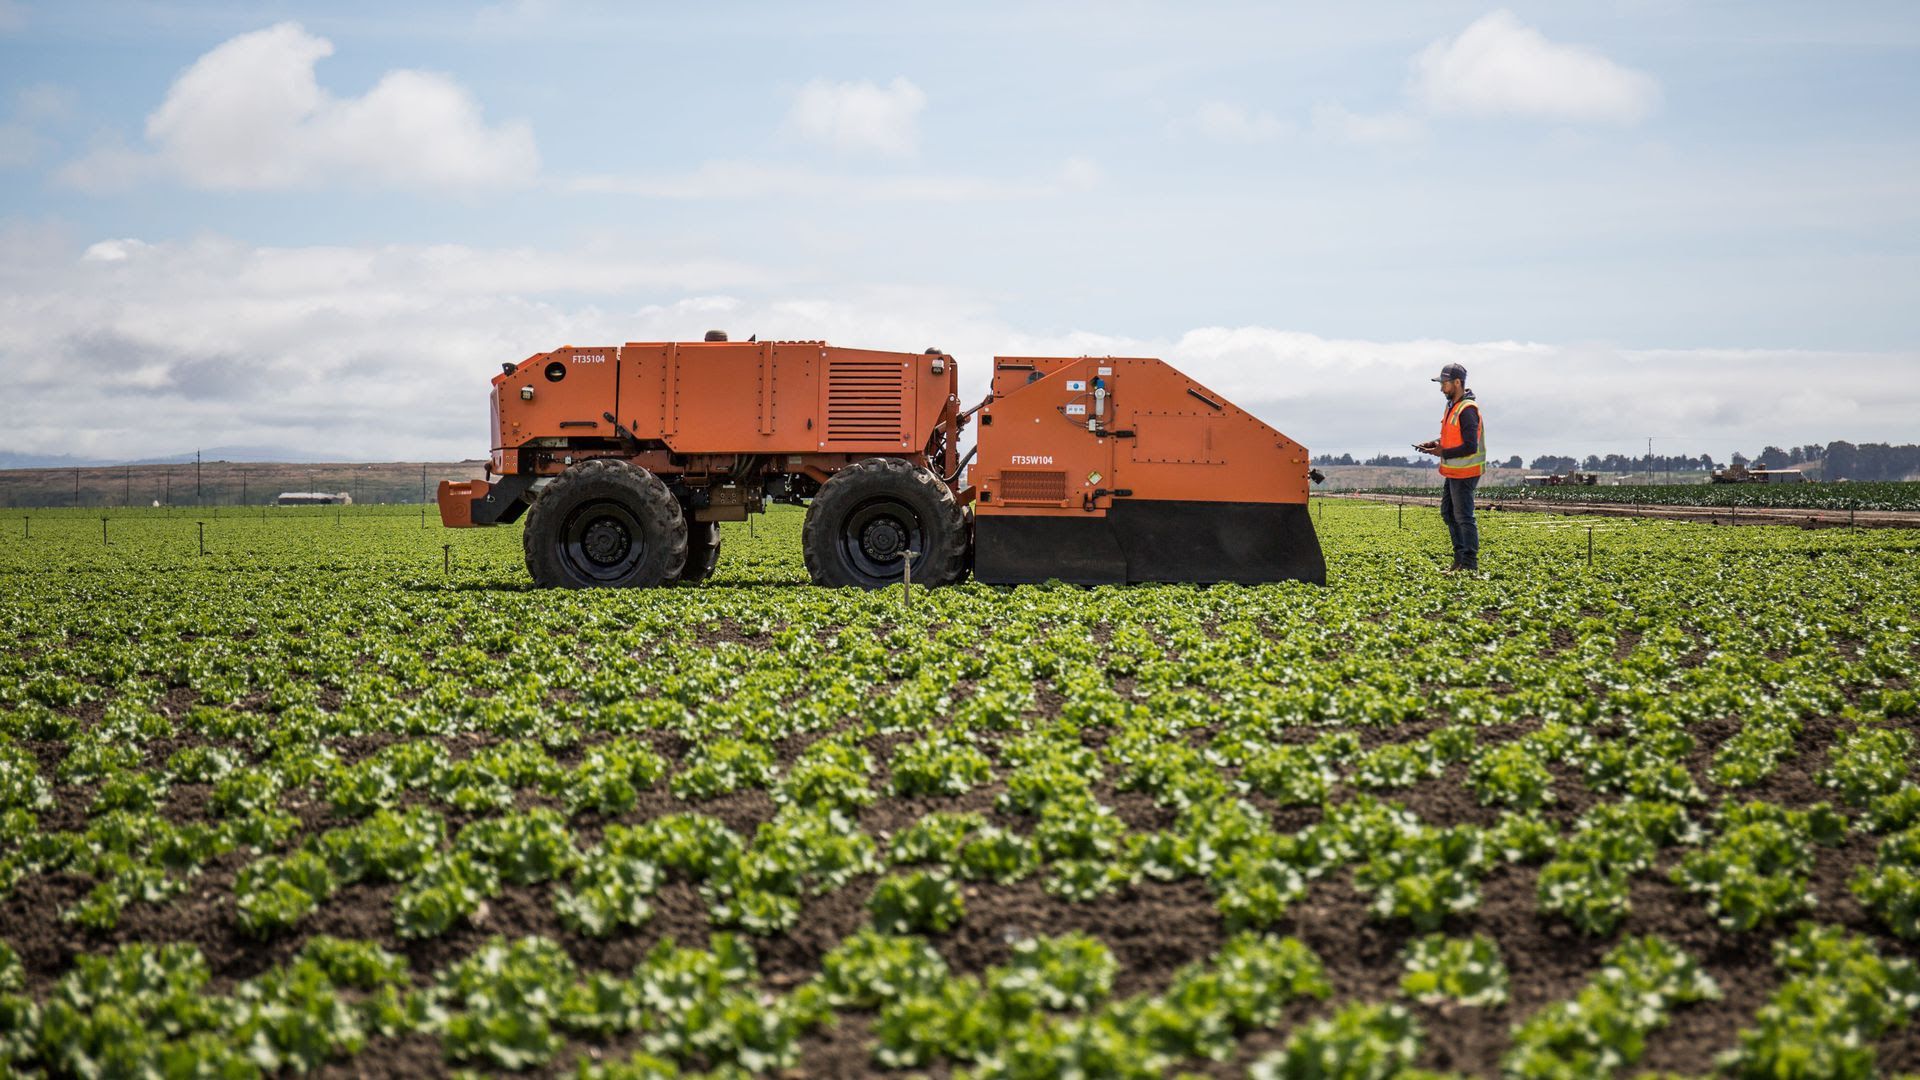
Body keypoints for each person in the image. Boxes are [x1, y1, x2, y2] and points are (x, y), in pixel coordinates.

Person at [1413, 362, 1484, 573]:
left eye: (1444, 383)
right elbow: (1452, 437)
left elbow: (1470, 445)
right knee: (1448, 513)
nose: (1442, 388)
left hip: (1466, 471)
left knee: (1464, 517)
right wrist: (1435, 444)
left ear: (1457, 382)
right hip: (1454, 471)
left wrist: (1442, 452)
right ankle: (1459, 560)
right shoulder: (1453, 405)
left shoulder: (1467, 409)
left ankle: (1469, 563)